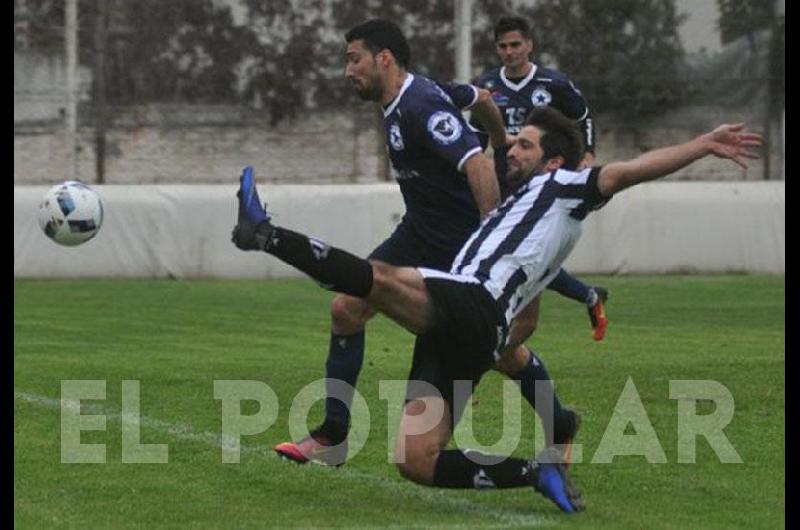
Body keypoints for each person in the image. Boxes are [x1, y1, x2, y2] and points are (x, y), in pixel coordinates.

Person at [232, 107, 761, 513]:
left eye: (526, 145)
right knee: (415, 462)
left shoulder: (563, 187)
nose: (513, 151)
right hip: (469, 331)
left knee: (377, 282)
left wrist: (702, 144)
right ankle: (535, 472)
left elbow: (623, 173)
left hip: (473, 304)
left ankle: (266, 233)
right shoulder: (524, 207)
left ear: (553, 160)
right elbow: (539, 256)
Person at [272, 18, 579, 470]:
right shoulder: (413, 96)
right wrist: (499, 138)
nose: (348, 71)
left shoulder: (420, 105)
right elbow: (482, 98)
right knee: (346, 309)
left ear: (384, 59)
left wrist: (490, 228)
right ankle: (334, 435)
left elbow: (474, 166)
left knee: (501, 350)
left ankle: (559, 422)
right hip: (419, 233)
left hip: (459, 244)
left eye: (353, 59)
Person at [473, 15, 608, 341]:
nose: (509, 52)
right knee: (521, 254)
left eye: (515, 44)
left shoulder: (553, 84)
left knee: (525, 254)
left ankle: (493, 340)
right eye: (503, 46)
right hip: (505, 179)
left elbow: (583, 117)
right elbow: (477, 135)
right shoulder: (487, 87)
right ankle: (588, 296)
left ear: (529, 45)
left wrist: (588, 153)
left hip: (544, 182)